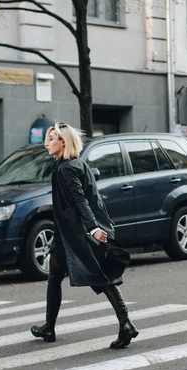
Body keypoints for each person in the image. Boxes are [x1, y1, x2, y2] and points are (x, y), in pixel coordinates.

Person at [30, 123, 138, 349]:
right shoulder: (68, 164)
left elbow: (80, 200)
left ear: (63, 142)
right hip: (68, 233)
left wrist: (93, 229)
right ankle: (49, 326)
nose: (46, 143)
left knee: (101, 276)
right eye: (47, 138)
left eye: (51, 139)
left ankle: (126, 322)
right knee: (55, 275)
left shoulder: (67, 169)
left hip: (78, 234)